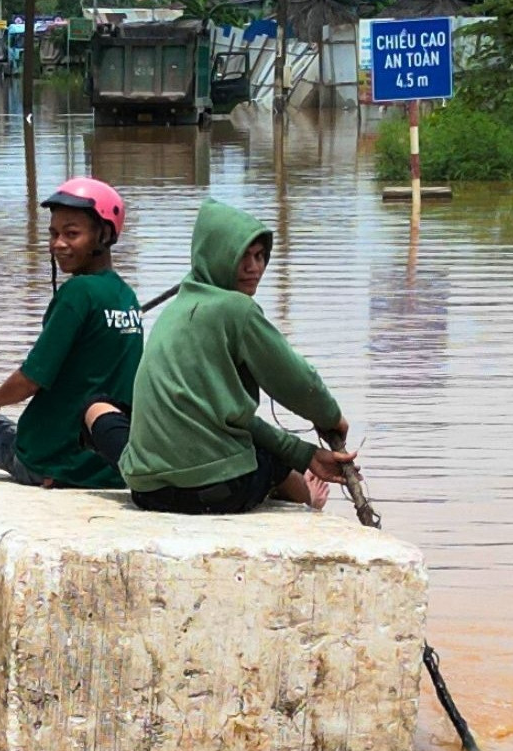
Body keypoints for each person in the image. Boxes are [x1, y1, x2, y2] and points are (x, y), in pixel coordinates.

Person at [86, 197, 354, 515]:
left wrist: (305, 453)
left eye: (260, 256)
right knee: (267, 456)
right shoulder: (237, 309)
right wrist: (330, 417)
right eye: (242, 257)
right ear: (217, 258)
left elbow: (220, 415)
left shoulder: (175, 310)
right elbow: (297, 381)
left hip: (148, 492)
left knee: (95, 407)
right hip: (216, 493)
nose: (254, 268)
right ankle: (309, 499)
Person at [0, 177, 144, 489]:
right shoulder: (127, 297)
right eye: (54, 234)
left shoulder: (77, 294)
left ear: (104, 234)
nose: (58, 244)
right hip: (109, 465)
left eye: (72, 234)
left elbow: (31, 379)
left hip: (56, 464)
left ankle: (37, 463)